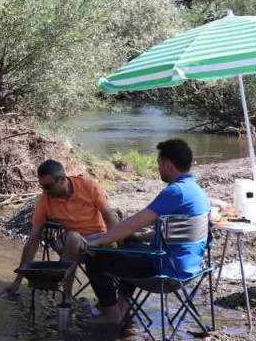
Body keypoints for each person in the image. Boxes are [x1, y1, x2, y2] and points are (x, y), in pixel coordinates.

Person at [85, 139, 212, 326]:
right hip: (190, 267)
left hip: (166, 271)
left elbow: (133, 223)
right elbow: (176, 232)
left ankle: (111, 316)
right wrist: (139, 237)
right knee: (128, 244)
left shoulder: (175, 192)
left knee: (95, 259)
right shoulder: (197, 191)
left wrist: (97, 242)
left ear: (168, 165)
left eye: (159, 164)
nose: (158, 168)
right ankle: (122, 307)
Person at [3, 159, 121, 317]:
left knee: (74, 239)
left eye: (48, 186)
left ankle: (66, 297)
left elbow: (110, 217)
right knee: (71, 237)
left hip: (99, 239)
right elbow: (33, 240)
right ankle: (67, 296)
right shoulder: (45, 200)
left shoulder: (88, 186)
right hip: (72, 244)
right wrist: (18, 281)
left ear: (62, 180)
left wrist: (115, 244)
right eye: (42, 186)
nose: (45, 191)